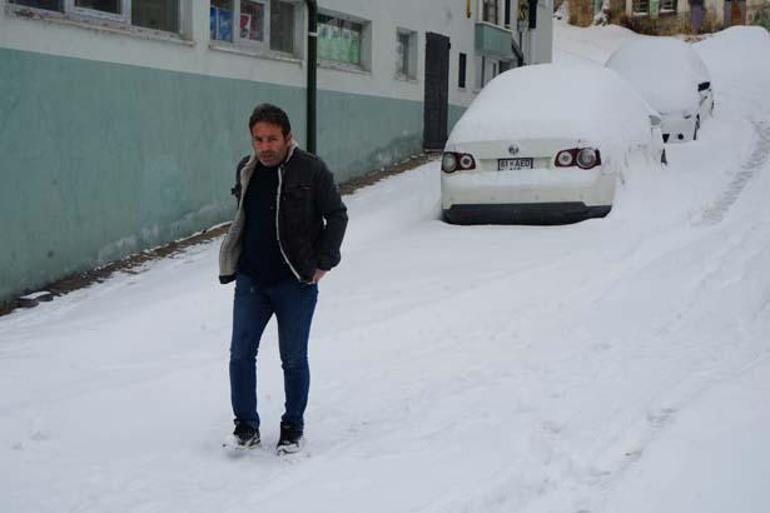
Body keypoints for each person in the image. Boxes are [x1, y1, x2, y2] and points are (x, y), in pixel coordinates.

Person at [218, 103, 348, 453]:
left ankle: (292, 427)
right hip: (252, 281)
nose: (265, 147)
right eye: (258, 139)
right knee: (240, 355)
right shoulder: (246, 170)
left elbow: (337, 216)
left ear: (287, 137)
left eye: (272, 138)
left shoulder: (311, 169)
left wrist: (323, 263)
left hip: (296, 282)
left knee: (292, 358)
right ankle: (246, 426)